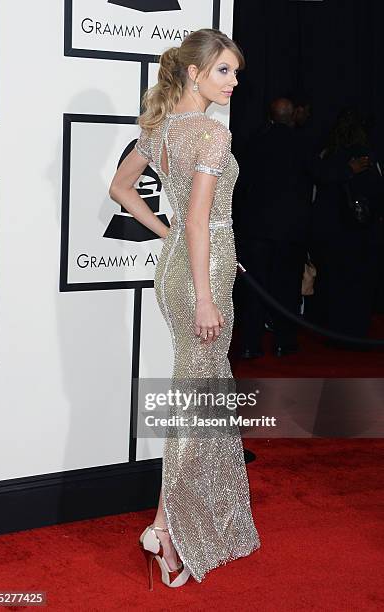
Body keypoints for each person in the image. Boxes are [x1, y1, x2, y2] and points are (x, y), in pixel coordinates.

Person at [109, 29, 260, 589]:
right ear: (195, 74)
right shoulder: (210, 137)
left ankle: (181, 522)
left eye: (237, 73)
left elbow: (121, 190)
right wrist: (203, 291)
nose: (235, 82)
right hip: (199, 278)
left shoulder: (160, 130)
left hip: (181, 266)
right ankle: (164, 530)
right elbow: (198, 222)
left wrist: (167, 236)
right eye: (225, 71)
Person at [236, 98, 313, 358]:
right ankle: (284, 342)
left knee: (254, 290)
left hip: (256, 230)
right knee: (286, 289)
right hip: (289, 232)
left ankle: (249, 345)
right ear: (291, 115)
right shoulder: (301, 143)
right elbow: (320, 174)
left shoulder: (254, 141)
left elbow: (241, 183)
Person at [309, 108, 384, 345]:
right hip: (361, 233)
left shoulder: (327, 156)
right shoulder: (367, 158)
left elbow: (317, 194)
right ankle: (354, 331)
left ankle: (333, 331)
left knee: (333, 282)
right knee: (358, 284)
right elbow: (377, 193)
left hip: (332, 234)